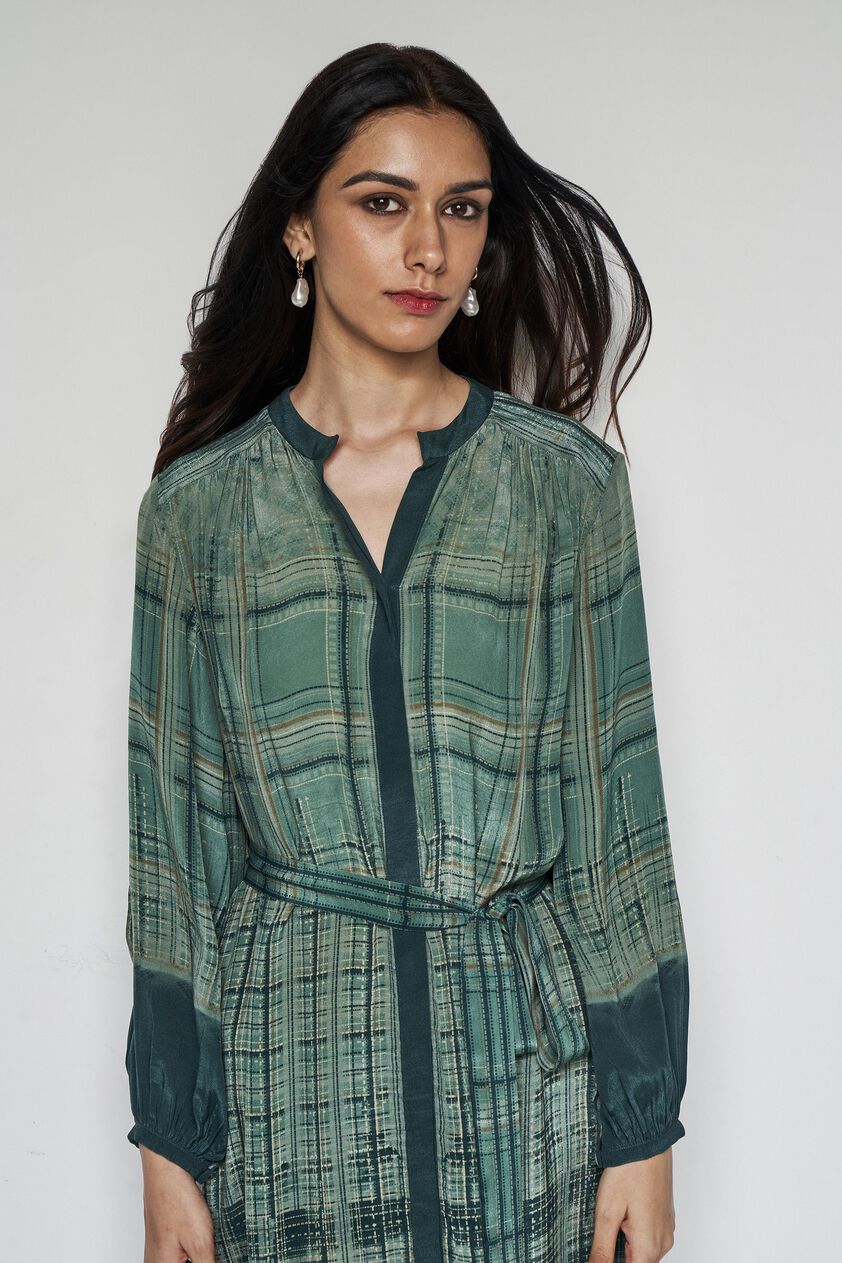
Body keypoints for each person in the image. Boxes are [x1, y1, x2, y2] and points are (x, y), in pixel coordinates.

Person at [123, 41, 690, 1263]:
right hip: (288, 1086)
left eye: (460, 209)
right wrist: (169, 1149)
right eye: (382, 204)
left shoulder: (564, 489)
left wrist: (642, 1132)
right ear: (299, 229)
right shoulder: (199, 514)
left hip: (526, 1088)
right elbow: (175, 860)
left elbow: (616, 826)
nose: (428, 248)